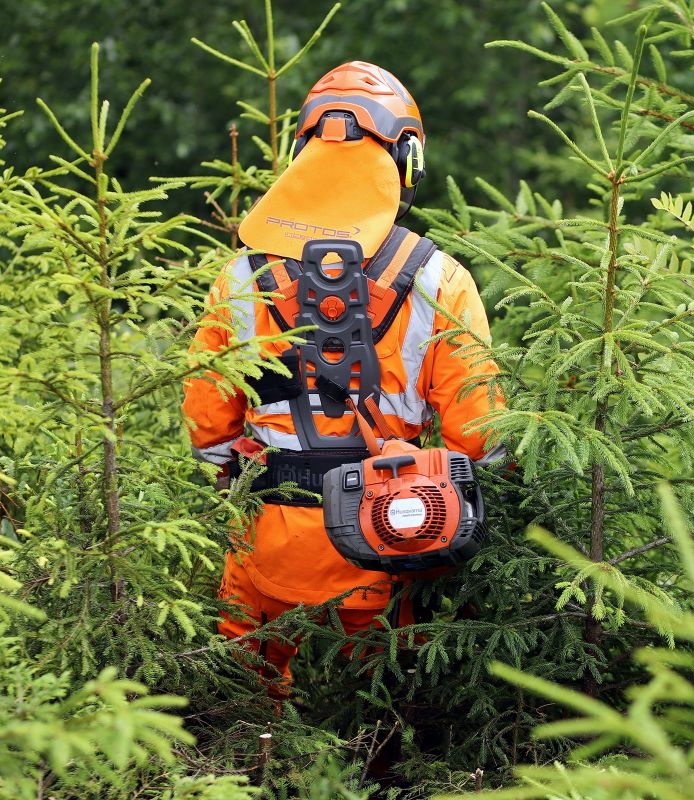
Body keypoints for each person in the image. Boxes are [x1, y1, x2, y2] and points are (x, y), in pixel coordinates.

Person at [182, 61, 503, 693]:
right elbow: (483, 437)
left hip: (264, 544)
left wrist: (238, 478)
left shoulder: (240, 278)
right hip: (390, 537)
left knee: (244, 715)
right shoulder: (439, 278)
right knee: (373, 722)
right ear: (407, 161)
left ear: (300, 154)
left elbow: (207, 426)